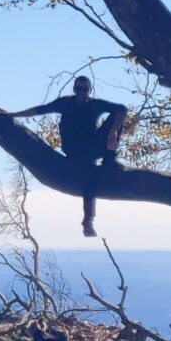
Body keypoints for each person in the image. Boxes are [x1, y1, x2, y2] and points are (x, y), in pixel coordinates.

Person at [15, 77, 130, 237]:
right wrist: (13, 114)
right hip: (75, 150)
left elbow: (122, 109)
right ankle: (88, 219)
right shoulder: (65, 103)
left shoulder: (94, 105)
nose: (81, 92)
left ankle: (109, 161)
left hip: (93, 145)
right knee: (89, 176)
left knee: (117, 118)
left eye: (85, 89)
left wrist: (112, 132)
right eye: (79, 89)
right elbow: (41, 109)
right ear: (74, 89)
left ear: (89, 90)